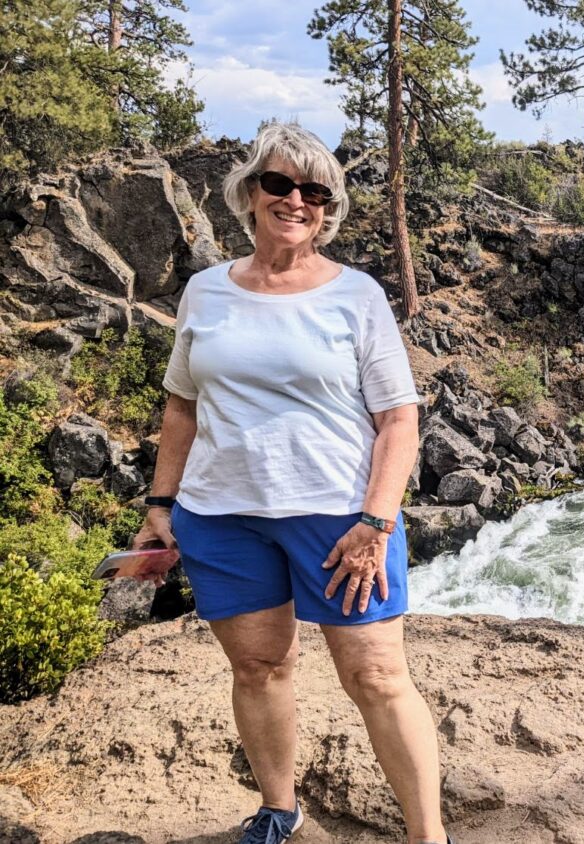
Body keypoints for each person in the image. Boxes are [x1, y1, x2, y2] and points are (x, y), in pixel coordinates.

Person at [131, 121, 452, 844]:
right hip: (222, 515)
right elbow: (182, 405)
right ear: (249, 193)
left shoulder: (357, 295)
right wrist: (160, 505)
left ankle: (429, 835)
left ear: (328, 208)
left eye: (314, 190)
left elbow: (400, 420)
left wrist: (376, 522)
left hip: (339, 515)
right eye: (279, 183)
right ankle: (281, 810)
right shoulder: (206, 292)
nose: (295, 200)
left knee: (375, 676)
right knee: (259, 667)